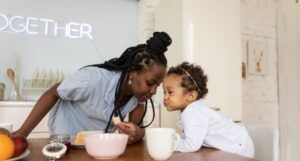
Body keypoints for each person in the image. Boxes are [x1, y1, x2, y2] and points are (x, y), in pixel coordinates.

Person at [14, 32, 172, 144]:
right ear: (132, 72)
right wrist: (22, 133)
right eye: (151, 83)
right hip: (65, 142)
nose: (153, 91)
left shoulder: (138, 96)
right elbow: (53, 93)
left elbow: (135, 125)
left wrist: (138, 133)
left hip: (100, 148)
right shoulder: (92, 79)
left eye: (158, 85)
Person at [162, 62, 254, 158]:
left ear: (191, 96)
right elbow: (188, 136)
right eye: (164, 92)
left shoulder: (194, 113)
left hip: (239, 147)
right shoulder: (192, 110)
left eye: (170, 92)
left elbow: (191, 145)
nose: (165, 97)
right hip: (239, 141)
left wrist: (166, 145)